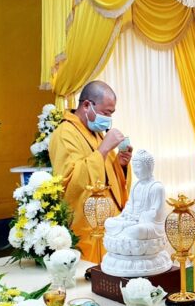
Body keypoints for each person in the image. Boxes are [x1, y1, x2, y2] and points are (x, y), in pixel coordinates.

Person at [49, 81, 133, 263]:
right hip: (88, 229)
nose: (109, 119)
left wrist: (121, 164)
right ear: (87, 105)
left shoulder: (96, 133)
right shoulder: (65, 133)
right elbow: (71, 183)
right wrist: (103, 150)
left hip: (110, 226)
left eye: (112, 114)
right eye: (106, 113)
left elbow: (106, 176)